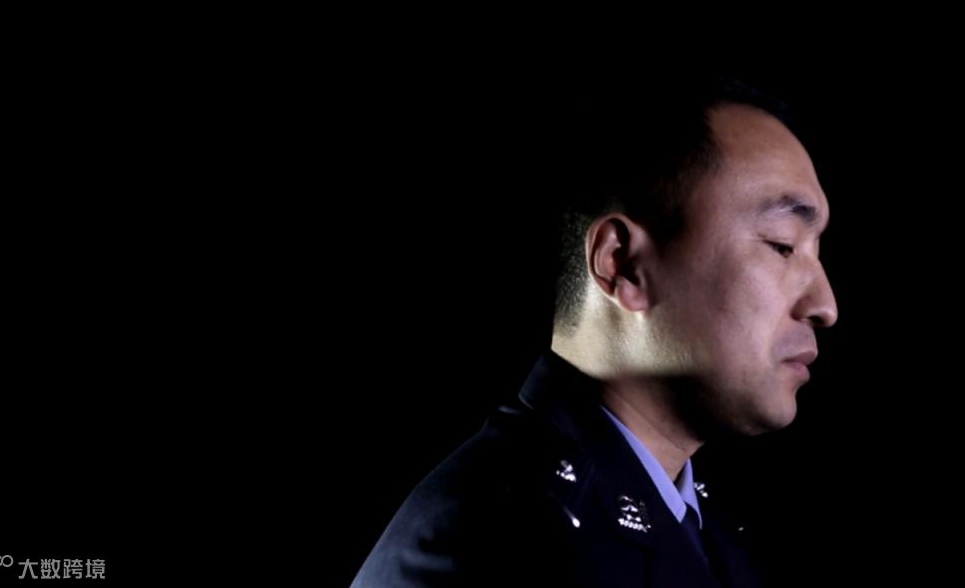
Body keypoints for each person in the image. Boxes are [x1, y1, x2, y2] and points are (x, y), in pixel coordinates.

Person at [351, 77, 838, 588]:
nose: (825, 306)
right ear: (622, 264)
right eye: (782, 245)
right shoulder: (498, 543)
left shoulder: (704, 538)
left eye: (816, 252)